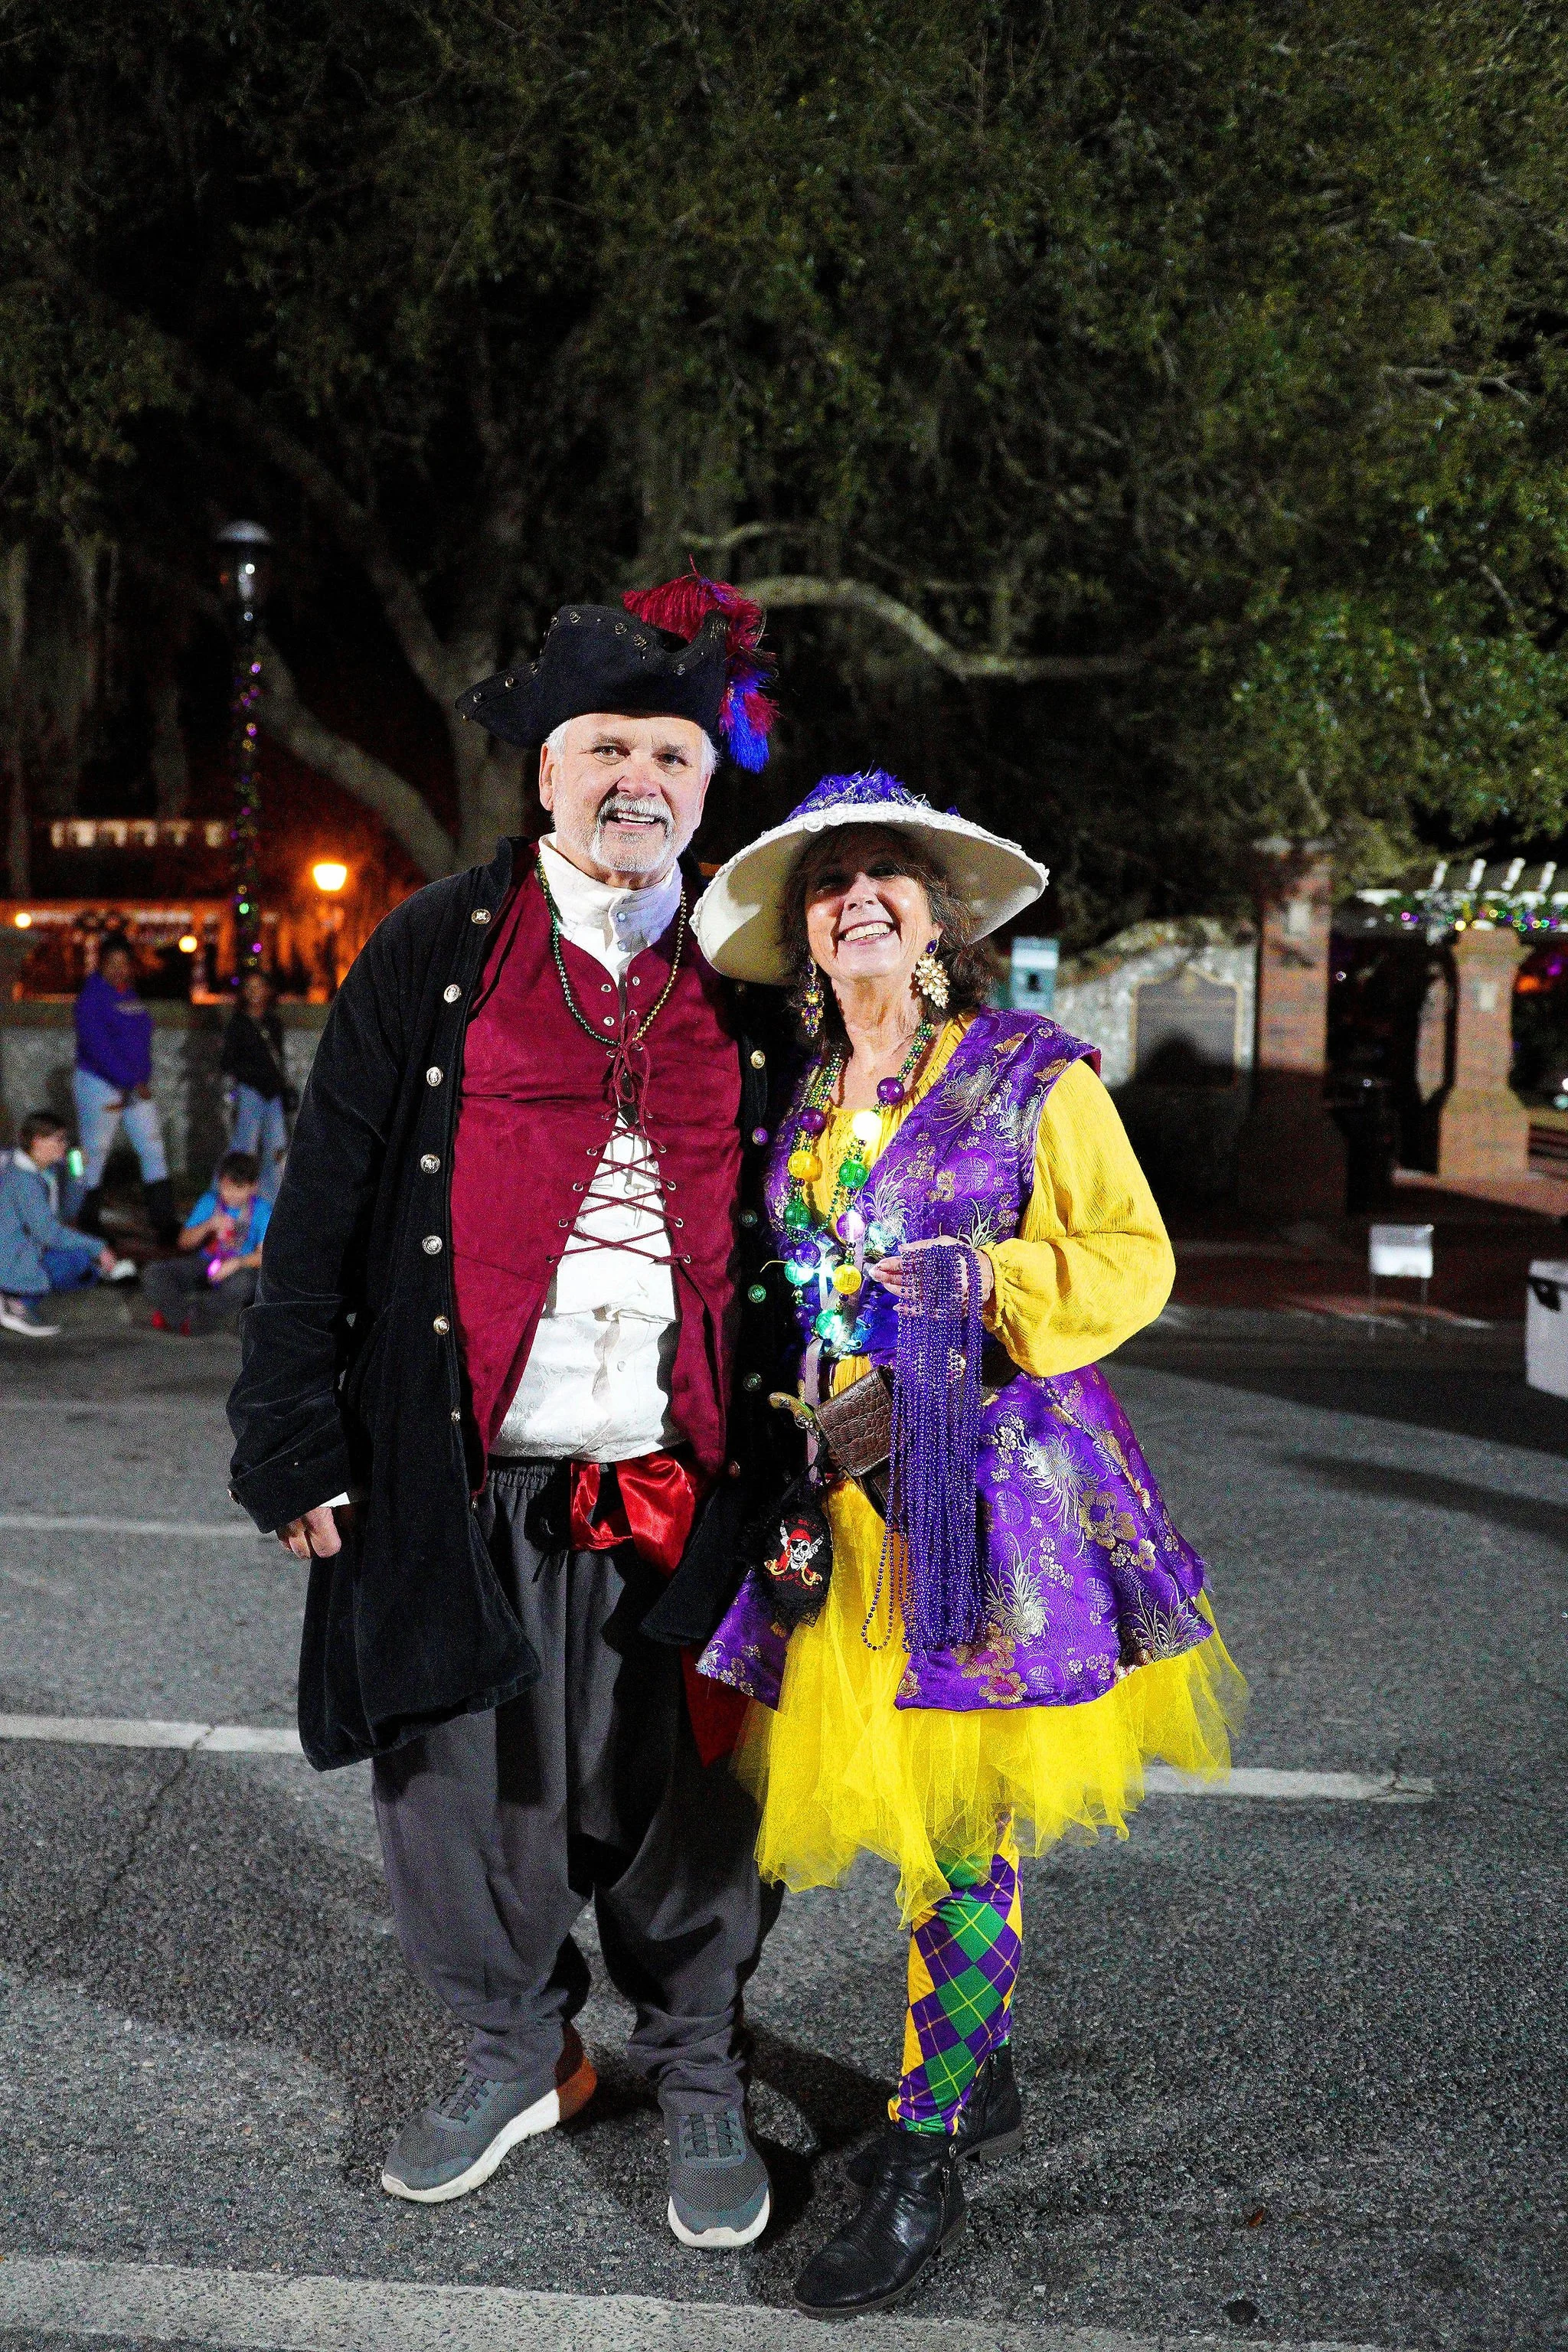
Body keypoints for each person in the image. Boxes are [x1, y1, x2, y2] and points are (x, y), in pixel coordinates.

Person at [227, 573, 802, 2248]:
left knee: (698, 1807)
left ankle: (695, 2061)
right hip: (467, 1470)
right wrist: (289, 1434)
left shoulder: (753, 972)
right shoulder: (434, 947)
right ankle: (516, 2050)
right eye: (605, 745)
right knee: (464, 1804)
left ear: (709, 782)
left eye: (674, 753)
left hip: (690, 1472)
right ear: (543, 772)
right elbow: (324, 1199)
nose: (641, 777)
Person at [691, 770, 1247, 2318]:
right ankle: (975, 2063)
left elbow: (1131, 1256)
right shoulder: (808, 1099)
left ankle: (927, 2148)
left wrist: (980, 1281)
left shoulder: (1027, 1072)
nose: (855, 898)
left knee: (961, 1835)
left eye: (886, 876)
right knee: (917, 1809)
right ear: (806, 933)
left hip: (991, 1511)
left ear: (938, 920)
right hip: (848, 1505)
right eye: (829, 883)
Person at [73, 936, 179, 1246]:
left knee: (152, 1147)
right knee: (94, 1153)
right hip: (99, 1084)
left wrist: (141, 1077)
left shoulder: (128, 994)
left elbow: (140, 1042)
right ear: (101, 963)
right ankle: (86, 1216)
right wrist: (132, 1081)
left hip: (135, 1085)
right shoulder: (91, 997)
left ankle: (164, 1220)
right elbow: (98, 1047)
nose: (120, 970)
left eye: (125, 964)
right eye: (113, 964)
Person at [0, 1111, 138, 1338]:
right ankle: (16, 1303)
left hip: (30, 1247)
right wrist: (99, 1247)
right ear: (38, 1141)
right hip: (13, 1254)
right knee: (76, 1262)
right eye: (59, 1139)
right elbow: (49, 1233)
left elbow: (68, 1212)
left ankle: (16, 1295)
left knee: (81, 1265)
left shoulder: (46, 1172)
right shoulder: (22, 1180)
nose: (64, 1146)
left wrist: (77, 1173)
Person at [142, 1151, 270, 1335]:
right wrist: (209, 1225)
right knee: (154, 1273)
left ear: (253, 1187)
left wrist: (236, 1263)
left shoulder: (262, 1210)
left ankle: (185, 1317)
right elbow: (184, 1243)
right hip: (207, 1263)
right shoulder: (210, 1201)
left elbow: (263, 1256)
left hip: (238, 1270)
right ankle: (185, 1320)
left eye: (239, 1188)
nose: (231, 1195)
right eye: (226, 1188)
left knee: (245, 1284)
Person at [221, 969, 294, 1204]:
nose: (254, 993)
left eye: (259, 987)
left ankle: (270, 1201)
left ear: (268, 991)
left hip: (272, 1093)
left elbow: (278, 1058)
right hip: (251, 1091)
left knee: (277, 1147)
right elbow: (229, 1061)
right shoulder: (238, 1023)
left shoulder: (274, 1022)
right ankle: (231, 1196)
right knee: (245, 1146)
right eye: (249, 988)